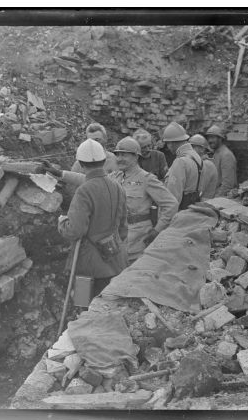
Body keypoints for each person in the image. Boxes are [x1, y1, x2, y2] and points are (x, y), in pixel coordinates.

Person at [47, 138, 178, 263]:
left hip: (139, 240)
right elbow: (89, 179)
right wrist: (60, 174)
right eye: (118, 155)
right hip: (116, 239)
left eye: (124, 155)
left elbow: (171, 204)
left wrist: (157, 230)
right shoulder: (116, 176)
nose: (120, 159)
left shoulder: (147, 179)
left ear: (136, 157)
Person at [57, 139, 128, 297]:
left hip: (86, 266)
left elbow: (75, 230)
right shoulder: (117, 186)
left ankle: (80, 321)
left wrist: (62, 222)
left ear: (81, 164)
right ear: (103, 161)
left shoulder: (84, 191)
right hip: (115, 261)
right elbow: (123, 229)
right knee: (106, 307)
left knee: (83, 304)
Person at [162, 122, 214, 210]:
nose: (168, 147)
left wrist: (164, 220)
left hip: (179, 213)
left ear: (171, 143)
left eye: (167, 144)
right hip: (193, 210)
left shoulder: (180, 162)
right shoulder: (197, 157)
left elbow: (173, 199)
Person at [205, 124, 238, 196]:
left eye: (213, 137)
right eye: (208, 138)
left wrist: (214, 200)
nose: (210, 140)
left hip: (221, 198)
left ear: (220, 139)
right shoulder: (216, 153)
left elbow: (227, 185)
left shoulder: (226, 155)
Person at [188, 134, 218, 199]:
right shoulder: (198, 163)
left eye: (193, 147)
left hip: (204, 203)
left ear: (202, 149)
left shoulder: (207, 165)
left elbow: (199, 190)